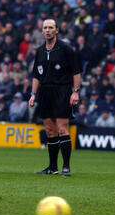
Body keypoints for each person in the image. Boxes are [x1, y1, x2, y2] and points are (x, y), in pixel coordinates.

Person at [29, 19, 81, 176]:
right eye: (45, 27)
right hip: (44, 93)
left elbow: (76, 72)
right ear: (42, 30)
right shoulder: (39, 51)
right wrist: (33, 94)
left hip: (62, 91)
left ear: (56, 30)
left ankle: (66, 167)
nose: (47, 30)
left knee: (62, 129)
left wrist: (75, 91)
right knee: (50, 130)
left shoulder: (65, 49)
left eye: (51, 27)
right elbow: (36, 75)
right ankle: (52, 167)